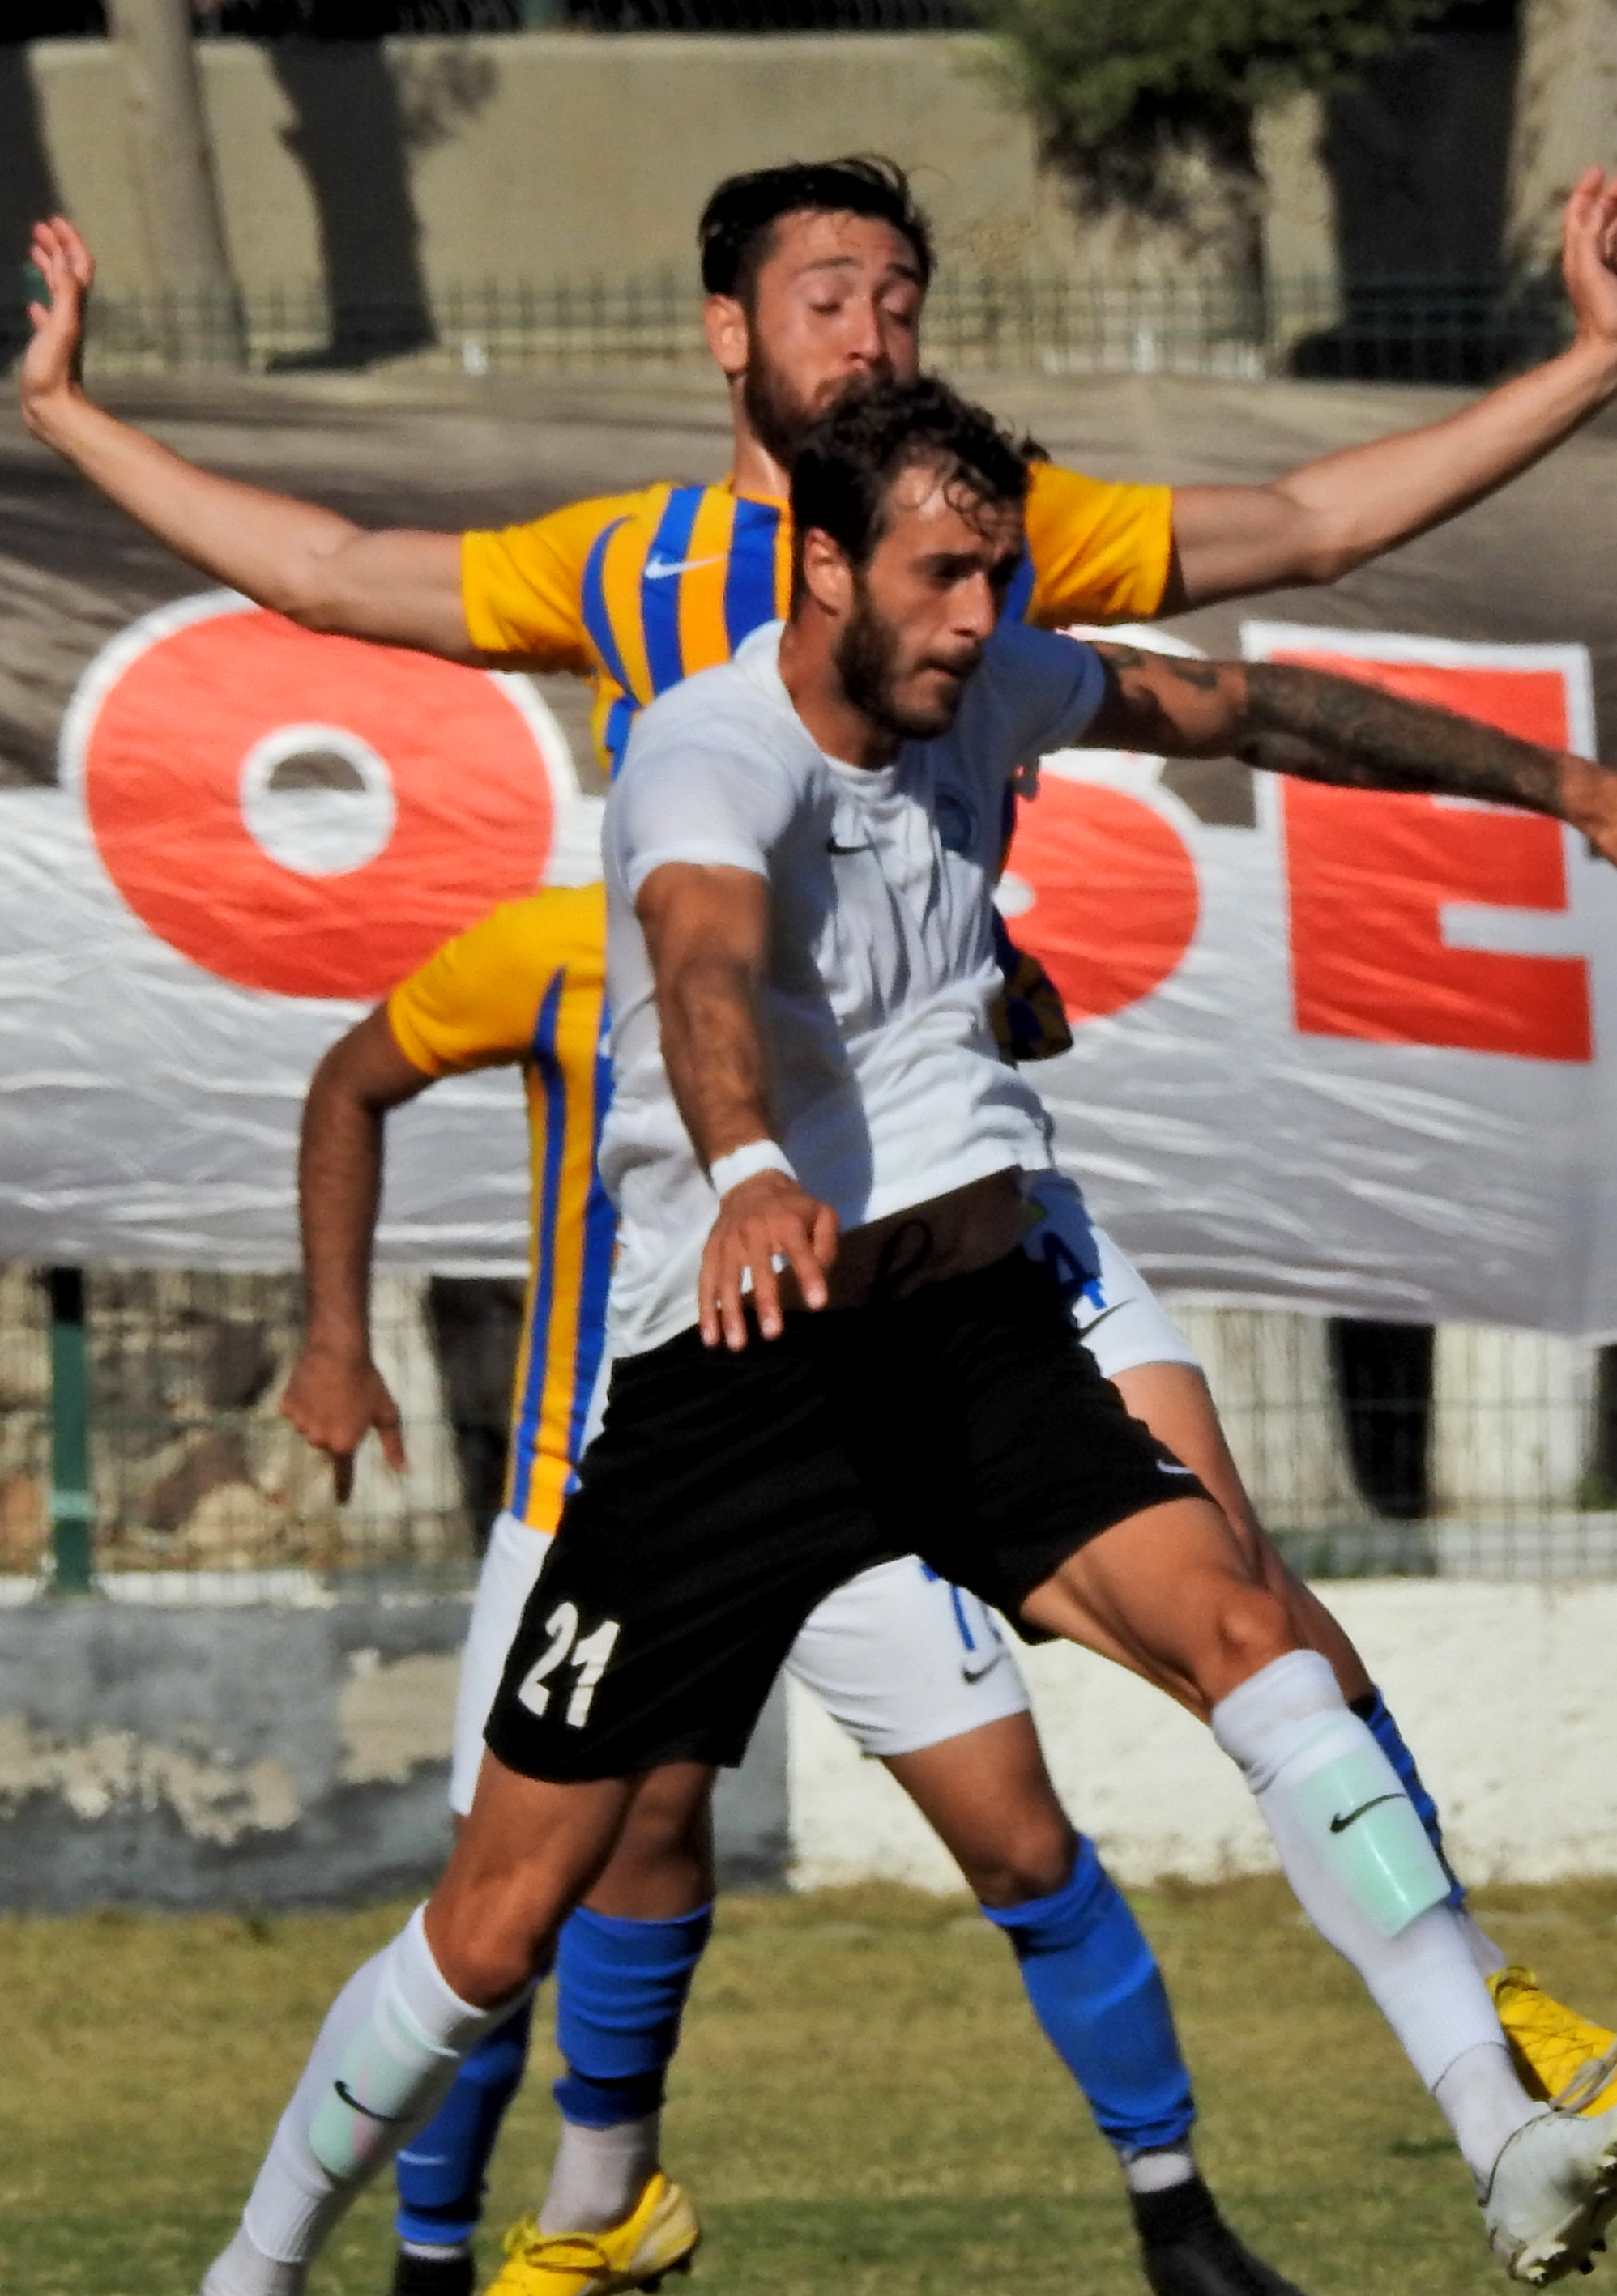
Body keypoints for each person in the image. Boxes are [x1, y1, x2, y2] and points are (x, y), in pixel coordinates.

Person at [23, 157, 1617, 2296]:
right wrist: (743, 1165)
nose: (988, 613)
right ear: (810, 530)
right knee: (503, 1914)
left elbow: (1252, 683)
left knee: (1241, 1625)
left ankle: (1492, 2113)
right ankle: (268, 2270)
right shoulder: (697, 728)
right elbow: (692, 942)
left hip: (965, 1310)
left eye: (903, 293)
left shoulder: (986, 621)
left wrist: (1576, 785)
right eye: (832, 293)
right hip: (729, 1363)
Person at [287, 880, 1320, 2296]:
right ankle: (452, 2258)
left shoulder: (867, 929)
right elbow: (350, 1082)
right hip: (592, 1499)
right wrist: (335, 1337)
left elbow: (1033, 1031)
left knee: (1020, 1847)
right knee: (498, 1907)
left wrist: (977, 965)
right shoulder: (545, 949)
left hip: (863, 1480)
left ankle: (1179, 2223)